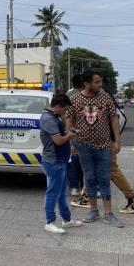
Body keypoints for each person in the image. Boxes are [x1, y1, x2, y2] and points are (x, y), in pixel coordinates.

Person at [65, 69, 124, 227]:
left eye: (100, 81)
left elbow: (114, 118)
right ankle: (93, 210)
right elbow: (69, 121)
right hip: (83, 146)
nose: (100, 85)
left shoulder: (105, 96)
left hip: (104, 146)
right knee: (89, 178)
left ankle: (109, 213)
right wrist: (71, 143)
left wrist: (117, 141)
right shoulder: (75, 99)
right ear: (87, 83)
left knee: (104, 179)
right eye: (97, 82)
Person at [40, 94, 84, 234]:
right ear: (58, 106)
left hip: (61, 160)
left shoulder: (54, 116)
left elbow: (61, 132)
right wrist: (70, 136)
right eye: (64, 110)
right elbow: (58, 140)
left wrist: (68, 131)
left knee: (60, 193)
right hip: (54, 161)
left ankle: (66, 219)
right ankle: (50, 222)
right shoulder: (48, 118)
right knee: (53, 193)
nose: (65, 113)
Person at [66, 74, 85, 197]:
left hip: (71, 133)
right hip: (79, 133)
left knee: (73, 161)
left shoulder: (68, 95)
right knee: (81, 161)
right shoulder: (81, 96)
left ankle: (74, 186)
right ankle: (83, 186)